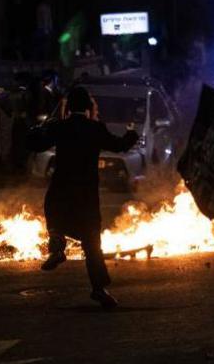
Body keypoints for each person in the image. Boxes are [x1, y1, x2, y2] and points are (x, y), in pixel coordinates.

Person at [27, 86, 139, 309]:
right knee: (91, 242)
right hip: (86, 192)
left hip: (62, 187)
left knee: (55, 214)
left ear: (69, 107)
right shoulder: (95, 128)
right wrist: (131, 133)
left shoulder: (60, 127)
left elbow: (36, 144)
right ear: (88, 107)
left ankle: (57, 246)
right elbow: (119, 146)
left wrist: (36, 129)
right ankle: (98, 289)